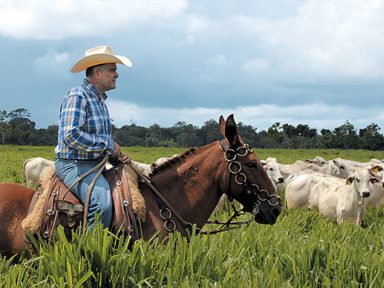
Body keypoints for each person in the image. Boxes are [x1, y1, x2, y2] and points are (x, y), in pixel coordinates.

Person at [55, 45, 132, 230]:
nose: (117, 75)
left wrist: (116, 156)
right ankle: (91, 255)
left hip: (94, 164)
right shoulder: (77, 95)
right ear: (97, 73)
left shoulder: (100, 101)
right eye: (112, 70)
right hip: (73, 164)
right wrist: (108, 144)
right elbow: (70, 135)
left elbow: (98, 142)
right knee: (101, 205)